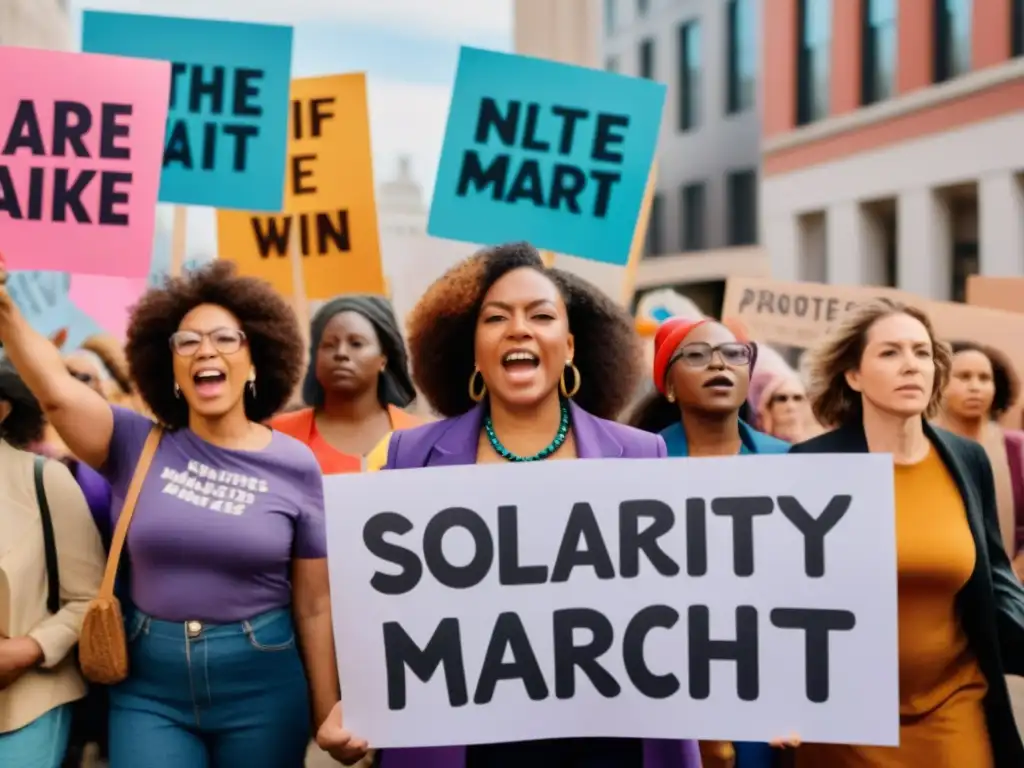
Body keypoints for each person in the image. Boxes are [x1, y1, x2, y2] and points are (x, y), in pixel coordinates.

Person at [316, 242, 700, 768]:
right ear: (473, 351)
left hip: (603, 740)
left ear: (568, 347)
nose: (519, 329)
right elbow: (384, 611)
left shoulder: (640, 454)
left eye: (540, 315)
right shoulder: (410, 457)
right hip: (464, 743)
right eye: (496, 318)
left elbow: (677, 609)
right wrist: (357, 704)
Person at [0, 258, 337, 768]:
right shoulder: (134, 443)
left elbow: (315, 605)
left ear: (255, 360)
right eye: (187, 341)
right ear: (172, 367)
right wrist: (3, 304)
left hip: (263, 687)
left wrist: (327, 713)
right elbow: (55, 390)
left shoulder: (296, 465)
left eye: (226, 339)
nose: (206, 349)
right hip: (150, 693)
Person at [789, 298, 1024, 766]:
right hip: (846, 718)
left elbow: (994, 576)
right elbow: (782, 595)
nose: (911, 366)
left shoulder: (965, 458)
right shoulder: (811, 466)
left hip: (954, 707)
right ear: (853, 375)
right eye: (890, 353)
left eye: (922, 353)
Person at [629, 318, 788, 768]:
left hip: (766, 689)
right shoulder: (635, 470)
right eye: (697, 355)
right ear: (670, 386)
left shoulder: (792, 465)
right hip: (667, 688)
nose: (719, 363)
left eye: (734, 354)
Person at [0, 362, 105, 767]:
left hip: (26, 704)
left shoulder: (46, 481)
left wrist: (30, 648)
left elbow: (90, 599)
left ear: (4, 408)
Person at [270, 295, 419, 473]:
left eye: (356, 344)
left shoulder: (421, 436)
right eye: (329, 345)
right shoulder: (277, 436)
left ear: (383, 359)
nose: (341, 353)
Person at [935, 341, 1021, 561]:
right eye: (963, 377)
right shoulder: (919, 442)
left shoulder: (1016, 447)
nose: (975, 387)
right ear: (939, 382)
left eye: (984, 378)